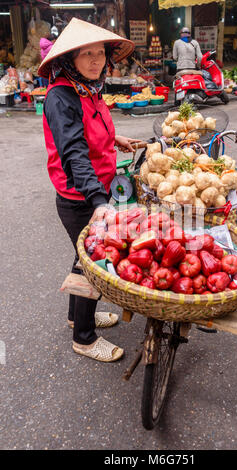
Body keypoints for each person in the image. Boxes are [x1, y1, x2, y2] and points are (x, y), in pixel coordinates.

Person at [38, 18, 139, 363]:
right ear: (69, 59)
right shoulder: (61, 96)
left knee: (83, 256)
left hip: (94, 191)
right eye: (87, 54)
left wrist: (116, 139)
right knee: (94, 260)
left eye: (100, 53)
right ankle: (83, 337)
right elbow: (74, 153)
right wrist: (98, 201)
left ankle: (75, 316)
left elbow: (92, 129)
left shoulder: (87, 89)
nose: (96, 60)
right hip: (79, 197)